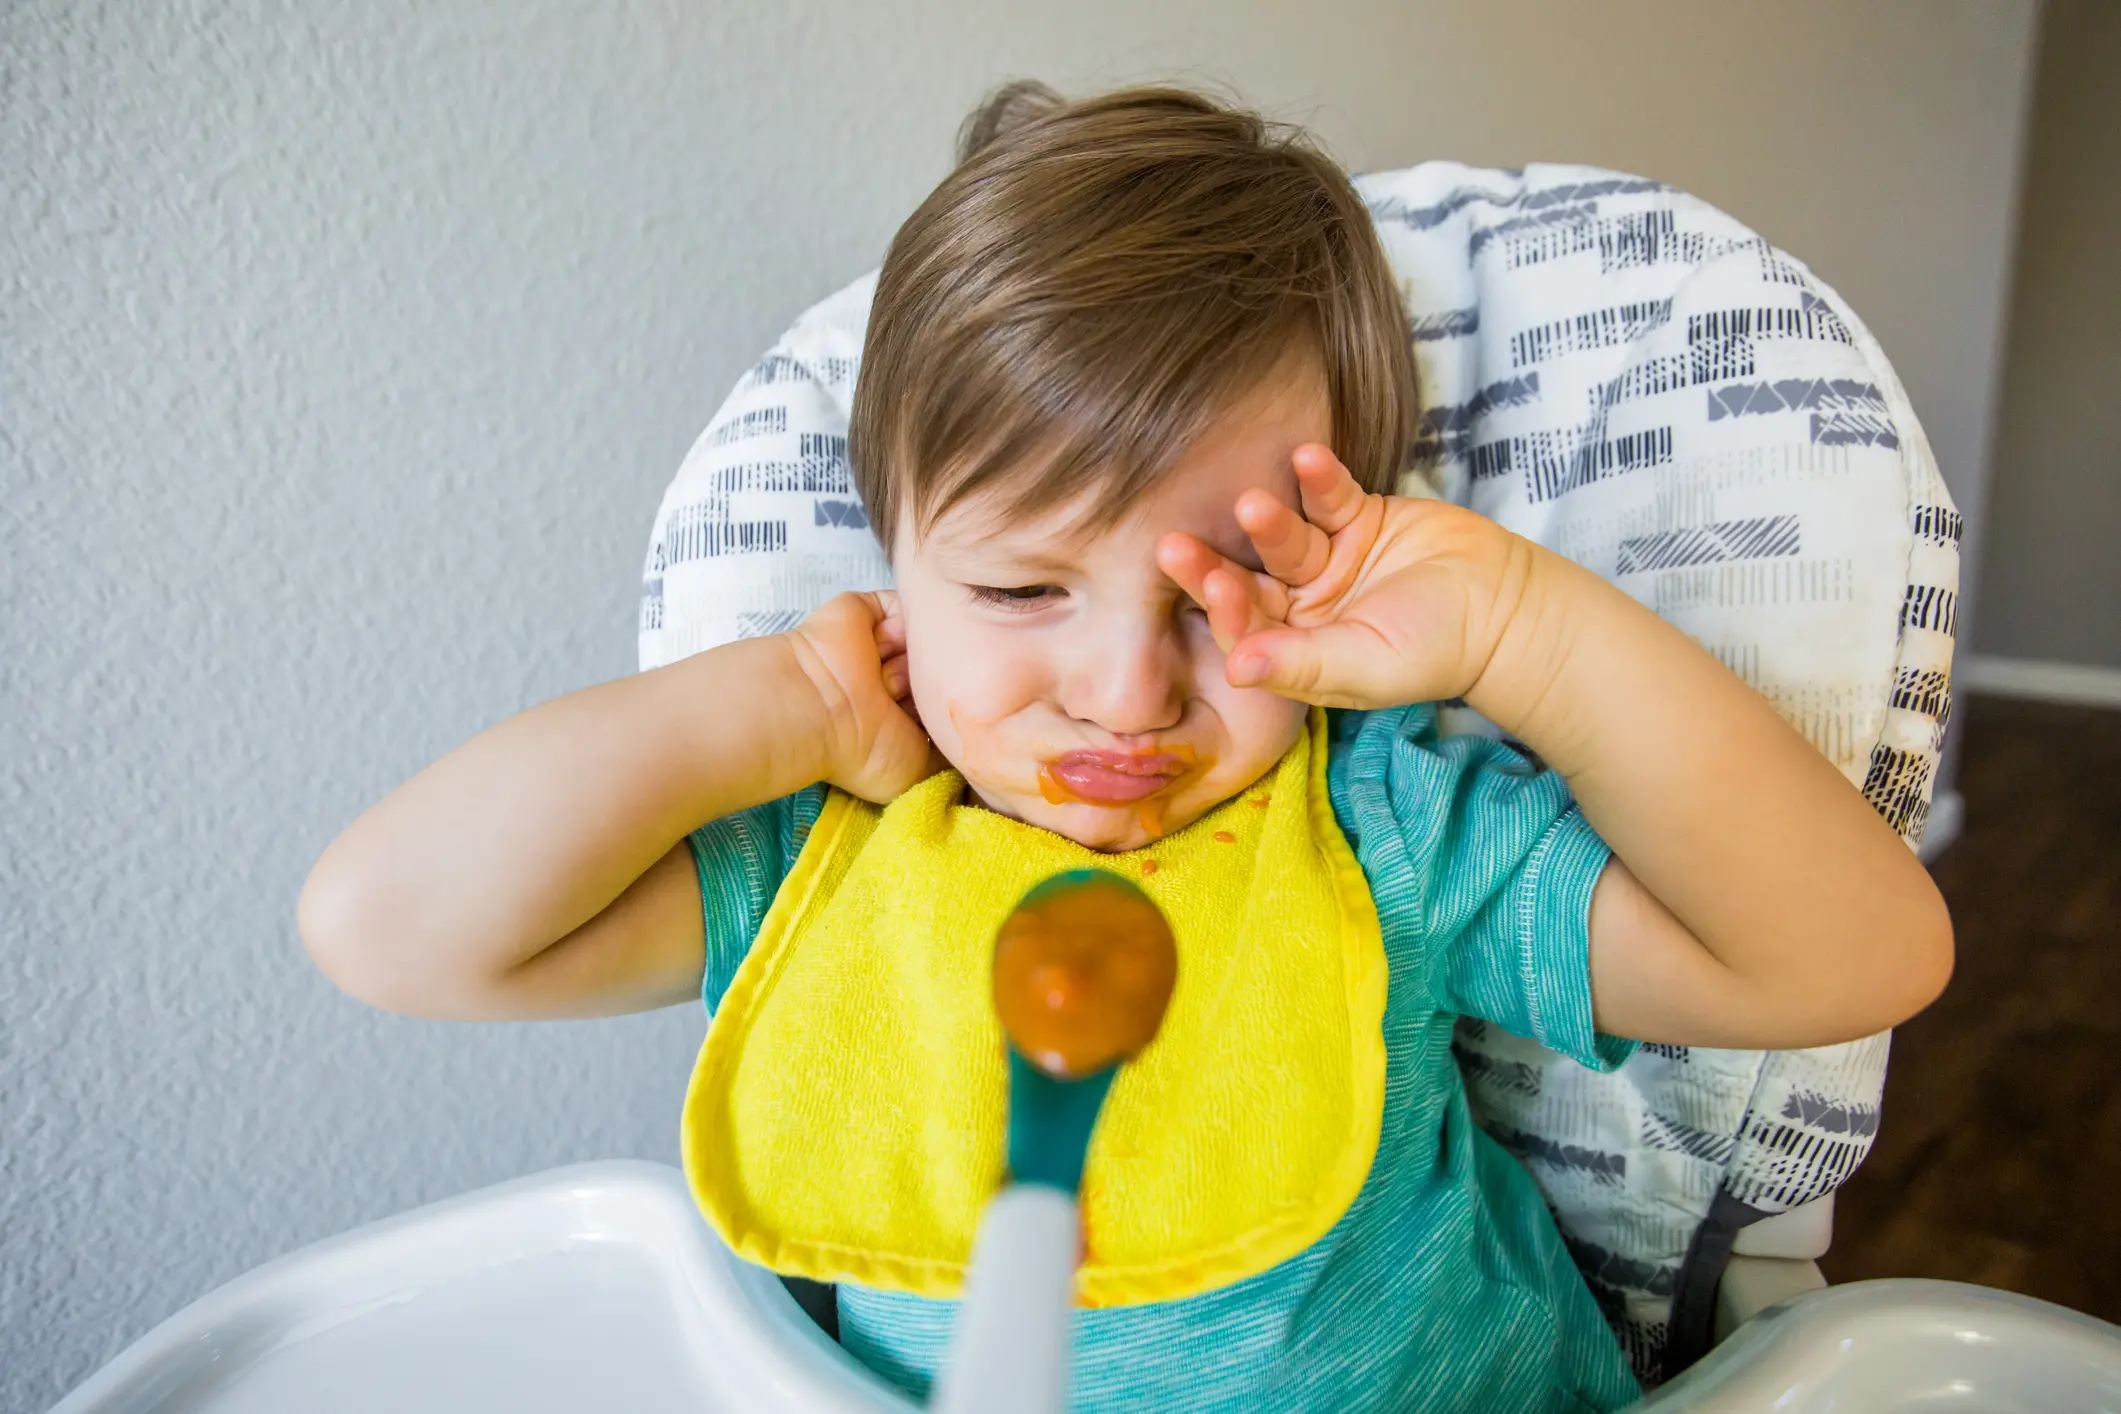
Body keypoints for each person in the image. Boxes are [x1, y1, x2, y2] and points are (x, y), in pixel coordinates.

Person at [299, 80, 1952, 1413]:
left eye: (1224, 593)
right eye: (1021, 587)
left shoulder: (1385, 841)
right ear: (896, 572)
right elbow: (389, 928)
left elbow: (1850, 955)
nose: (1127, 692)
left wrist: (1527, 633)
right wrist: (780, 704)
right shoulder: (823, 853)